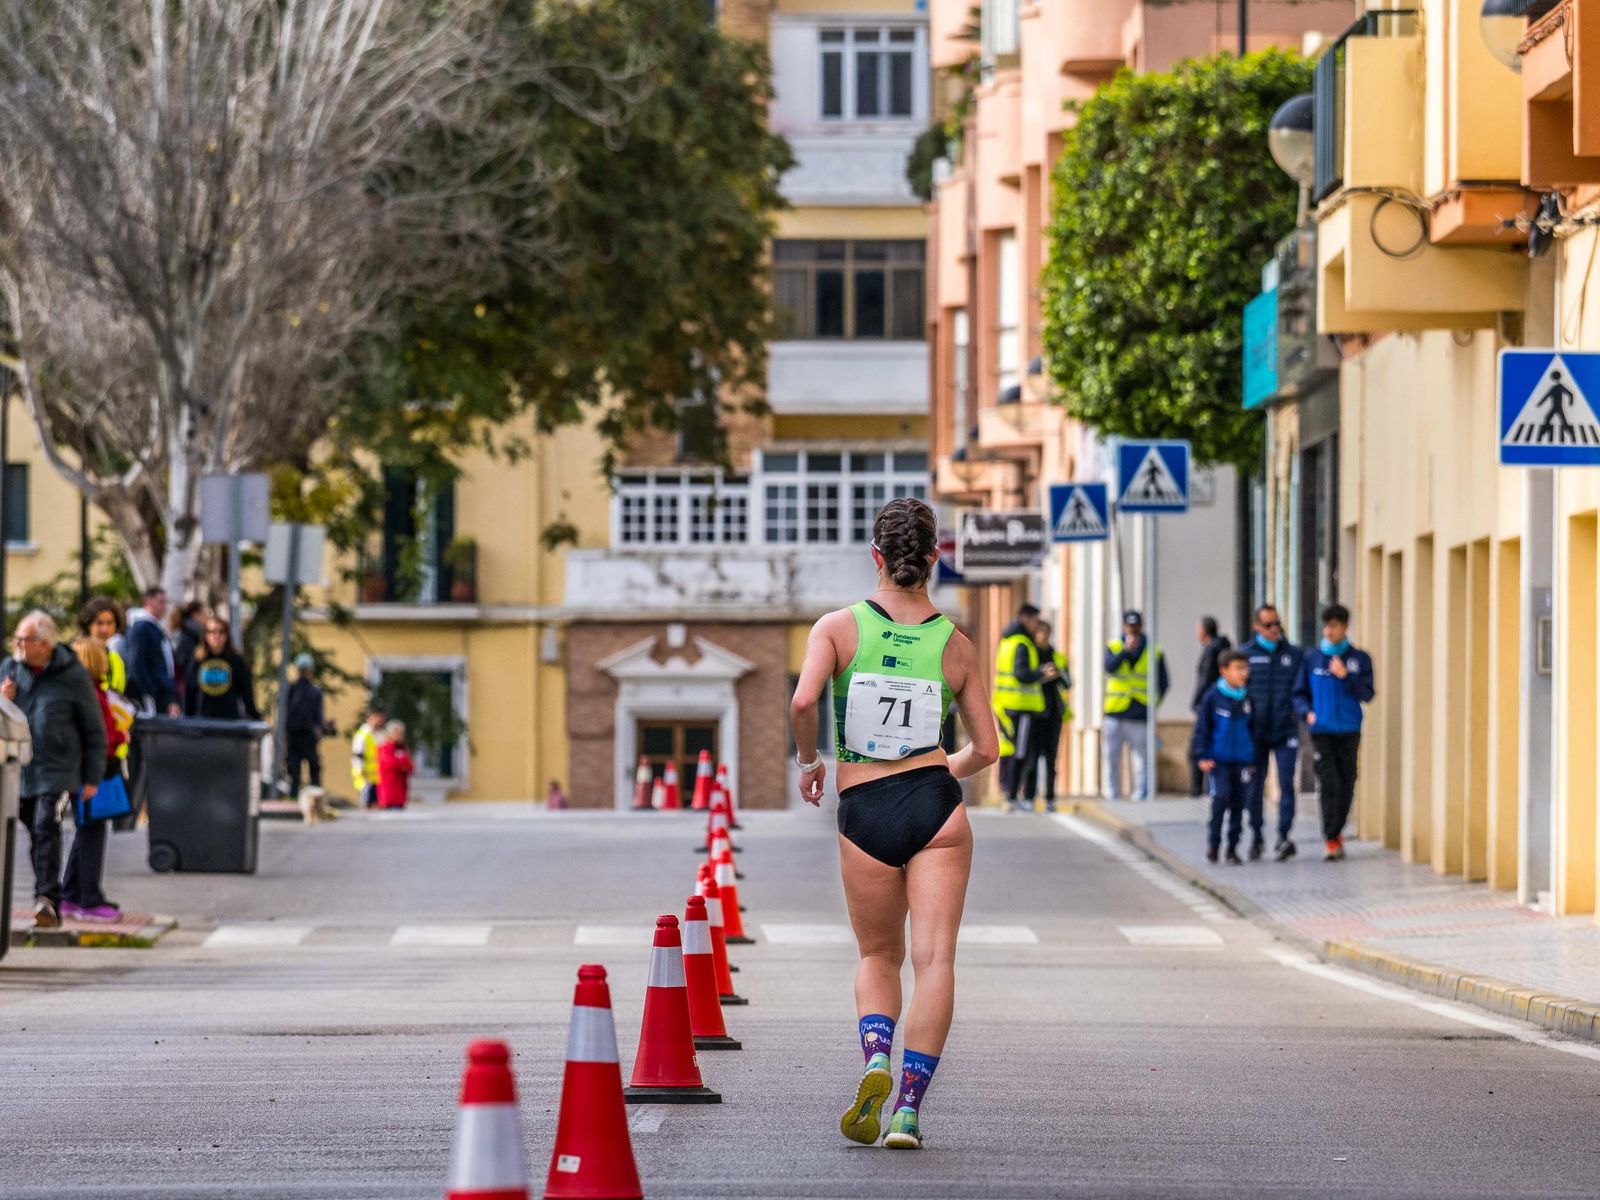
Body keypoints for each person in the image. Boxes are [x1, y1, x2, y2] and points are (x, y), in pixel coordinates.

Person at [789, 498, 998, 1151]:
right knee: (936, 960)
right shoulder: (954, 643)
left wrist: (810, 761)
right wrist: (939, 769)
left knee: (879, 954)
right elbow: (988, 750)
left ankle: (876, 1059)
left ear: (875, 556)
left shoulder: (838, 628)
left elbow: (802, 701)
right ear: (934, 559)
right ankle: (907, 1111)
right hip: (936, 804)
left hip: (865, 810)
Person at [0, 612, 108, 929]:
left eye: (25, 640)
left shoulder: (72, 675)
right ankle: (43, 894)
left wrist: (92, 776)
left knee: (46, 825)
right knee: (33, 831)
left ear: (45, 645)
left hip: (58, 769)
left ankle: (47, 899)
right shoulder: (10, 669)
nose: (19, 645)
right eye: (17, 639)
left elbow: (94, 730)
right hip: (17, 770)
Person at [1292, 604, 1375, 862]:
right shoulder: (1312, 658)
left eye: (1334, 626)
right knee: (1328, 782)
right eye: (1326, 626)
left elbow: (1367, 694)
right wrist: (1307, 713)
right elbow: (1298, 693)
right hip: (1322, 730)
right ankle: (1330, 838)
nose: (1329, 631)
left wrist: (1346, 676)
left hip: (1349, 729)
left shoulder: (1359, 659)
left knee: (1347, 782)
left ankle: (1337, 831)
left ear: (1345, 627)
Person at [62, 637, 128, 921]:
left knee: (85, 830)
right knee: (92, 832)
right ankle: (89, 897)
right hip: (93, 772)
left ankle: (70, 894)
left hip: (81, 771)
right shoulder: (93, 695)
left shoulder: (79, 692)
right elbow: (100, 735)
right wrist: (121, 735)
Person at [1243, 604, 1304, 862]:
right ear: (1257, 627)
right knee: (1255, 787)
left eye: (1277, 623)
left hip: (1285, 730)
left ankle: (1283, 836)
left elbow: (1302, 689)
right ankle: (1256, 836)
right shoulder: (1245, 654)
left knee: (1287, 784)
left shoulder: (1293, 655)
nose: (1275, 629)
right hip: (1255, 732)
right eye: (1268, 625)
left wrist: (1297, 711)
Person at [1191, 649, 1255, 866]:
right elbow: (1202, 729)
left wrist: (1253, 758)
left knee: (1239, 804)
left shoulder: (1248, 697)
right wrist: (1202, 755)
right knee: (1220, 800)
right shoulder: (1212, 698)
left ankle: (1232, 848)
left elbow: (1255, 729)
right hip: (1219, 761)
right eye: (1238, 669)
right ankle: (1214, 844)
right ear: (1224, 671)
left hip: (1242, 760)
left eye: (1245, 668)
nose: (1243, 673)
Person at [992, 604, 1054, 811]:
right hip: (1021, 707)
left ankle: (1011, 794)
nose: (1037, 625)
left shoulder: (1008, 641)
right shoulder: (1022, 644)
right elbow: (1022, 674)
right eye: (1035, 620)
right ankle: (1012, 796)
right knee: (1021, 752)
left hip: (1009, 705)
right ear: (1025, 619)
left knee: (1015, 750)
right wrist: (1042, 673)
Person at [1102, 610, 1169, 801]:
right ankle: (1112, 794)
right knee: (1111, 757)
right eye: (1129, 627)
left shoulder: (1153, 650)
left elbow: (1163, 683)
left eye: (1136, 627)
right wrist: (1125, 650)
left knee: (1141, 759)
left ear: (1141, 627)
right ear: (1124, 627)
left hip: (1139, 712)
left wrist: (1152, 705)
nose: (1133, 630)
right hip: (1115, 711)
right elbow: (1109, 667)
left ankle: (1141, 794)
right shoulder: (1114, 646)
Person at [1023, 620, 1072, 813]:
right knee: (1032, 757)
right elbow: (1025, 677)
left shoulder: (1057, 656)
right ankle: (1029, 797)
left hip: (1053, 714)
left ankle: (1050, 798)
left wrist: (1057, 674)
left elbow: (1068, 683)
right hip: (1034, 712)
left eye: (1047, 632)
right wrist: (1042, 674)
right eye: (1040, 632)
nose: (1044, 636)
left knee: (1051, 758)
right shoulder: (1031, 654)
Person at [183, 616, 260, 720]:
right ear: (205, 635)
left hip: (229, 723)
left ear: (227, 635)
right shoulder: (197, 660)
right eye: (211, 631)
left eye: (221, 631)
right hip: (201, 723)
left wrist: (255, 717)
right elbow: (189, 693)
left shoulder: (236, 661)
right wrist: (187, 719)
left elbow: (246, 693)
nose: (216, 635)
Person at [1189, 616, 1231, 796]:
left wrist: (1198, 703)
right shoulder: (1220, 648)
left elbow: (1204, 679)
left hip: (1210, 705)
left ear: (1203, 631)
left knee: (1197, 749)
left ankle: (1197, 791)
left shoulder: (1212, 650)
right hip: (1219, 704)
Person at [126, 586, 179, 715]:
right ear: (149, 602)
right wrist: (151, 691)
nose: (164, 607)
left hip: (161, 693)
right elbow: (136, 663)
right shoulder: (142, 628)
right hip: (151, 695)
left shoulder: (155, 628)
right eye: (161, 602)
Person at [285, 653, 329, 791]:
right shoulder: (314, 691)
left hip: (294, 735)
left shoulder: (292, 690)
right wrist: (319, 729)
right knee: (313, 769)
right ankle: (314, 797)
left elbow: (285, 714)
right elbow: (318, 714)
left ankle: (295, 795)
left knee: (294, 771)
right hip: (308, 735)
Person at [77, 598, 129, 696]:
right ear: (87, 624)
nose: (105, 629)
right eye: (99, 623)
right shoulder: (78, 655)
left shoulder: (116, 659)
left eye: (110, 623)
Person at [171, 600, 207, 696]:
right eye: (205, 613)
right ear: (196, 615)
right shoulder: (187, 637)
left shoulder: (190, 634)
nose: (207, 617)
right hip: (184, 692)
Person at [352, 706, 386, 808]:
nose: (380, 721)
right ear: (371, 717)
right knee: (367, 801)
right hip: (365, 773)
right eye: (378, 718)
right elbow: (358, 753)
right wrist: (360, 768)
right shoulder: (363, 734)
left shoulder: (381, 734)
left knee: (376, 803)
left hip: (377, 774)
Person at [377, 720, 414, 809]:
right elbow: (390, 764)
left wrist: (402, 765)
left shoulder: (403, 748)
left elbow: (410, 766)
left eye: (401, 733)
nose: (400, 736)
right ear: (390, 734)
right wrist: (402, 765)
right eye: (397, 733)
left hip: (401, 794)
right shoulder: (385, 747)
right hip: (388, 794)